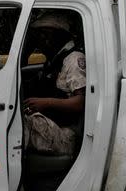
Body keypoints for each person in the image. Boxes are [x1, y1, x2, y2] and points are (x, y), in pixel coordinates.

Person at [22, 11, 86, 156]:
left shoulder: (73, 59)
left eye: (47, 34)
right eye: (40, 34)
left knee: (18, 124)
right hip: (54, 123)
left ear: (61, 35)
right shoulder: (55, 59)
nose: (42, 39)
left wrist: (46, 103)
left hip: (67, 133)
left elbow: (80, 102)